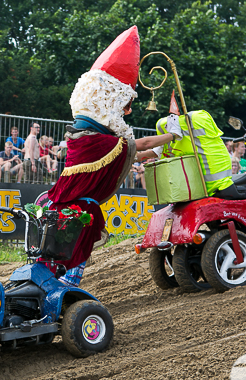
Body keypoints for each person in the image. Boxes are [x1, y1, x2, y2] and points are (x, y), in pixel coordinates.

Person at [46, 26, 181, 286]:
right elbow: (139, 144)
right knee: (75, 250)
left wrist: (157, 151)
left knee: (60, 250)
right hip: (80, 207)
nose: (125, 112)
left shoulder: (82, 137)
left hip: (65, 203)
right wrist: (172, 136)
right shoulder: (98, 141)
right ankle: (67, 287)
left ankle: (57, 283)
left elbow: (131, 155)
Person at [139, 110, 236, 197]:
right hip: (216, 187)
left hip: (188, 190)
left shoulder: (168, 132)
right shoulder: (199, 120)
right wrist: (174, 134)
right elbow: (147, 144)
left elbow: (153, 150)